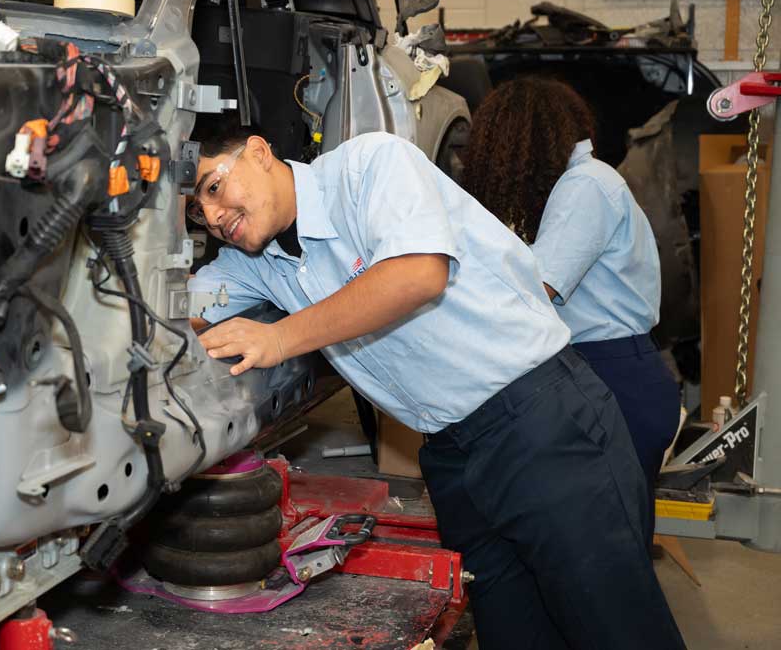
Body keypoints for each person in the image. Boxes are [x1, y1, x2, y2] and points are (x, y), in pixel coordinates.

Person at [185, 121, 684, 649]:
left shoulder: (366, 169)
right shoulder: (250, 264)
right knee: (516, 635)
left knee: (619, 630)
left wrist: (281, 338)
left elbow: (418, 273)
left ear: (259, 153)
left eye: (214, 188)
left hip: (542, 426)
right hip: (453, 459)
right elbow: (169, 312)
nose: (214, 217)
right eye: (198, 210)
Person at [462, 76, 681, 546]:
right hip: (611, 371)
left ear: (520, 141)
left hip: (616, 377)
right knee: (607, 546)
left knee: (610, 549)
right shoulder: (580, 184)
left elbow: (534, 292)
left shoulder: (585, 186)